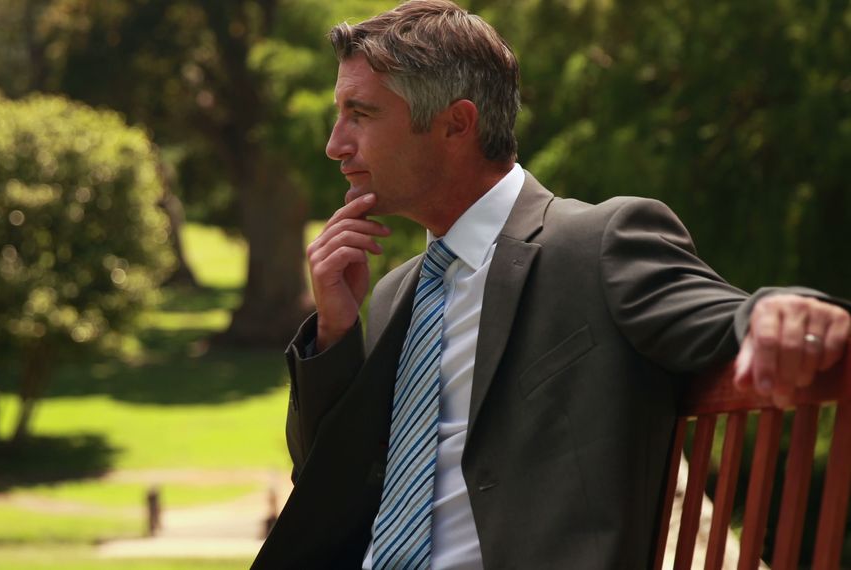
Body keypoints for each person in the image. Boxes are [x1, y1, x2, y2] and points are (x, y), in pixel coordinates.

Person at [251, 1, 851, 568]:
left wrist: (781, 310)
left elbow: (723, 318)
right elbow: (327, 491)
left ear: (456, 124)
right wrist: (334, 335)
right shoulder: (391, 295)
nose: (335, 145)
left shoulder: (596, 243)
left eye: (362, 114)